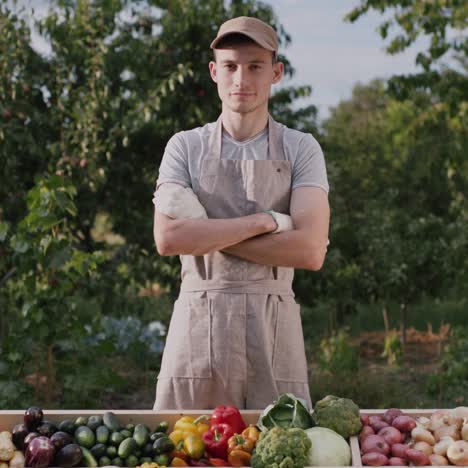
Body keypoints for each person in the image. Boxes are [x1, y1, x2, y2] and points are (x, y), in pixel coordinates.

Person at [152, 16, 330, 410]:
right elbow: (168, 239)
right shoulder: (185, 147)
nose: (241, 79)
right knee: (184, 449)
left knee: (280, 447)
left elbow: (310, 251)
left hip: (274, 330)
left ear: (276, 73)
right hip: (199, 325)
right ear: (215, 72)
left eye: (255, 66)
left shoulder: (301, 149)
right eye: (230, 66)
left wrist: (208, 234)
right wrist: (265, 222)